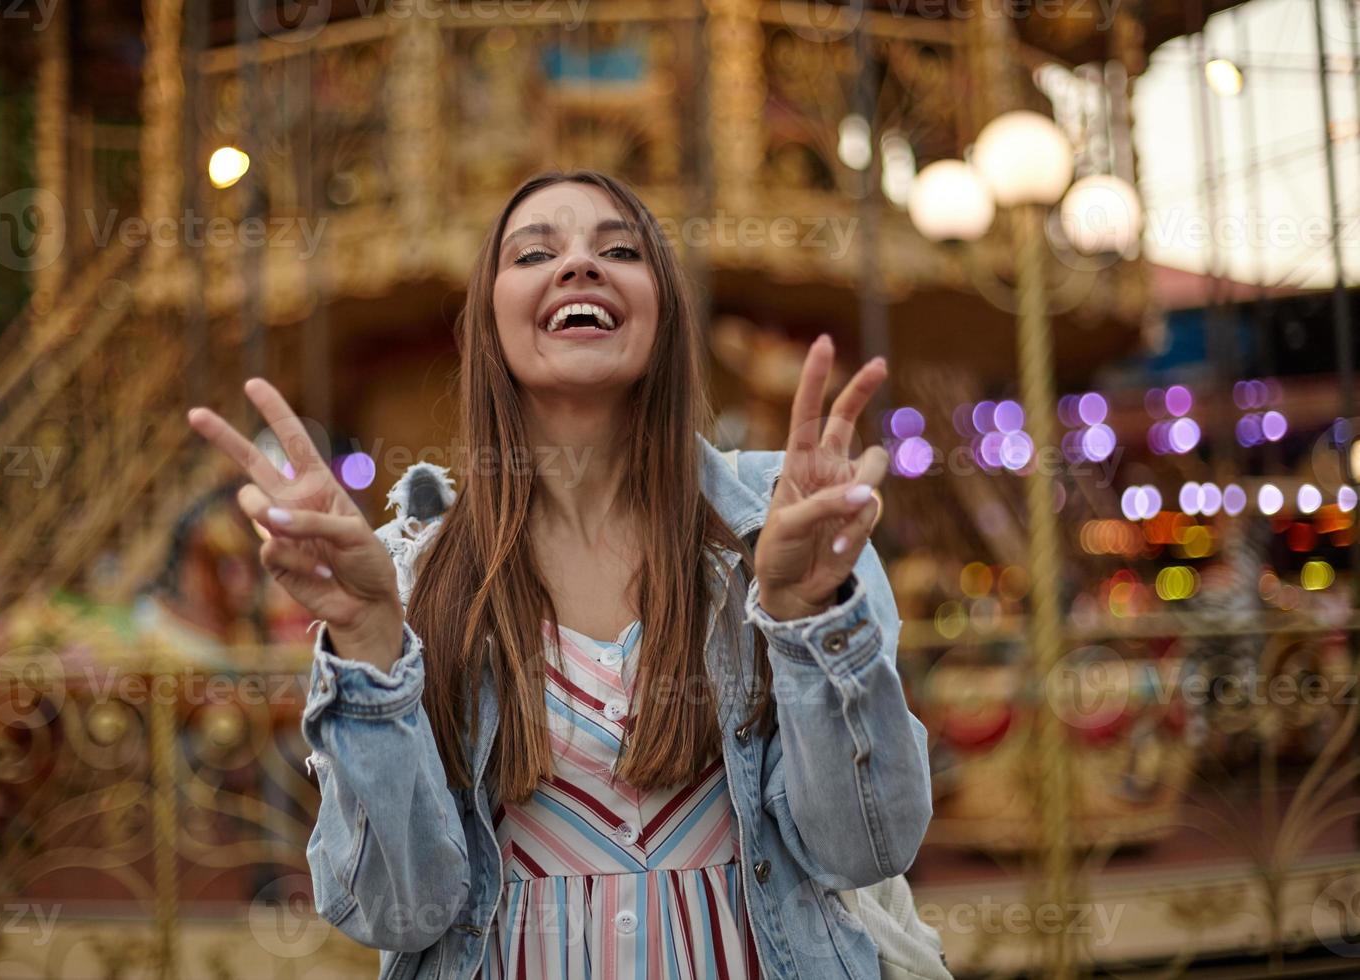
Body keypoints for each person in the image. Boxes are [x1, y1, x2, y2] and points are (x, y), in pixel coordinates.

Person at [187, 170, 933, 980]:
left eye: (618, 249)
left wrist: (805, 613)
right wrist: (368, 640)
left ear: (665, 310)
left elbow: (866, 848)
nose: (579, 266)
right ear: (490, 323)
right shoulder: (410, 572)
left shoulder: (782, 524)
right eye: (534, 253)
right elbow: (396, 911)